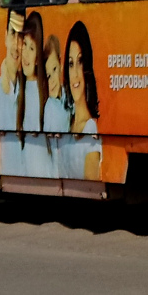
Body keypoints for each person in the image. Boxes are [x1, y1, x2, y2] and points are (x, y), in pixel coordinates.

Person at [58, 20, 102, 181]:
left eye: (80, 61)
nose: (75, 73)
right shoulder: (66, 122)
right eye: (70, 64)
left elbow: (91, 183)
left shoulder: (90, 129)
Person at [0, 9, 24, 175]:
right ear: (5, 36)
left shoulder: (33, 90)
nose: (16, 44)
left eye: (21, 36)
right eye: (12, 34)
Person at [43, 34, 70, 132]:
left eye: (54, 69)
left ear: (61, 65)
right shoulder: (49, 109)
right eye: (48, 76)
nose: (52, 80)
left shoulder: (69, 96)